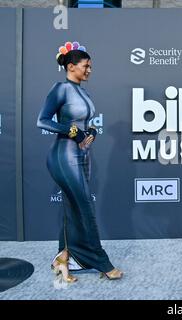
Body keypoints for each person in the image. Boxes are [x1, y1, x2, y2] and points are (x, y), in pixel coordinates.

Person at [37, 42, 123, 282]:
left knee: (72, 208)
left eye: (91, 66)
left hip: (82, 157)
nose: (89, 70)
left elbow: (86, 125)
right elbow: (42, 121)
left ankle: (63, 258)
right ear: (71, 66)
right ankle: (101, 261)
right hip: (63, 156)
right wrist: (72, 131)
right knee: (84, 207)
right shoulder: (60, 89)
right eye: (86, 66)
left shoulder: (84, 93)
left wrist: (91, 132)